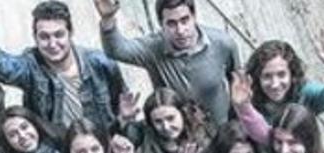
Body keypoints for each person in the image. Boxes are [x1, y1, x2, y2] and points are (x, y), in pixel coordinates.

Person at [0, 1, 128, 130]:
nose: (52, 44)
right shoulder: (31, 65)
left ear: (70, 33)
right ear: (35, 38)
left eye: (59, 35)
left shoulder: (100, 63)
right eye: (44, 37)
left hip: (101, 147)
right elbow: (6, 69)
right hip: (58, 152)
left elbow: (120, 103)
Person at [97, 0, 241, 123]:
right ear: (161, 24)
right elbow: (117, 50)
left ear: (194, 17)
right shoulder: (153, 48)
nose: (180, 30)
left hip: (220, 131)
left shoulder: (222, 44)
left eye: (185, 20)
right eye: (172, 24)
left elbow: (239, 85)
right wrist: (108, 19)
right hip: (176, 136)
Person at [244, 31, 324, 125]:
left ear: (292, 74)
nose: (275, 84)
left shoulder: (304, 94)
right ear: (257, 78)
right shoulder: (247, 101)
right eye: (267, 76)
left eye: (281, 75)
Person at [134, 88, 210, 153]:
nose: (166, 126)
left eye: (170, 118)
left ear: (183, 113)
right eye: (158, 122)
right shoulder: (147, 150)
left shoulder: (204, 137)